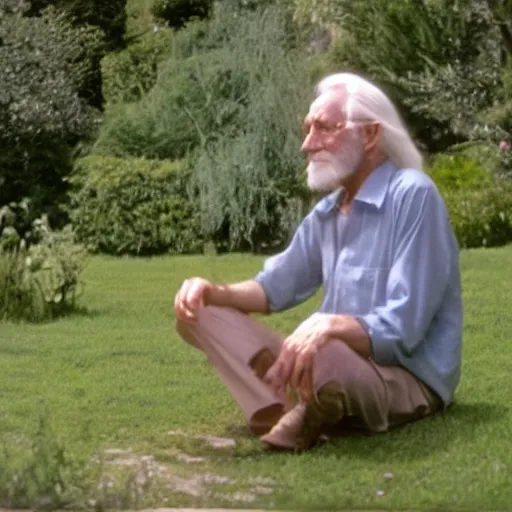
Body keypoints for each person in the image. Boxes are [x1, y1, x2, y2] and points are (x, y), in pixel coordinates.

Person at [174, 72, 463, 451]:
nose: (308, 144)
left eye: (325, 128)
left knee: (326, 348)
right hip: (331, 359)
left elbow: (403, 328)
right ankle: (291, 405)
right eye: (308, 128)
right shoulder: (328, 213)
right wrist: (214, 291)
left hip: (405, 377)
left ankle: (310, 405)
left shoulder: (412, 195)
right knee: (202, 313)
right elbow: (272, 287)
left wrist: (329, 327)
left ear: (371, 134)